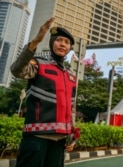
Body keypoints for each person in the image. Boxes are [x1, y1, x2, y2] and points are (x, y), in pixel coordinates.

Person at [11, 17, 79, 167]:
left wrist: (73, 135)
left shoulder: (71, 77)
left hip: (59, 141)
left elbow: (71, 108)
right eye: (59, 40)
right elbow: (16, 70)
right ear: (51, 42)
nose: (63, 44)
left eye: (67, 42)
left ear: (70, 48)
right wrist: (35, 41)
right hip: (36, 137)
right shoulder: (38, 64)